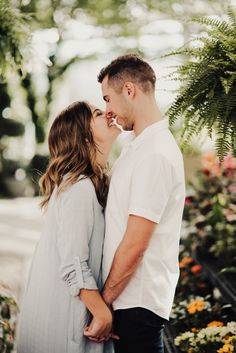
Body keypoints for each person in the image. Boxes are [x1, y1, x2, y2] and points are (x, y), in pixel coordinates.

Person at [85, 54, 186, 353]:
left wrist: (104, 304)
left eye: (108, 99)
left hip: (136, 302)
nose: (107, 111)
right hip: (126, 300)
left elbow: (135, 246)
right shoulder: (136, 147)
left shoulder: (155, 154)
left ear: (129, 90)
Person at [17, 101, 120, 353]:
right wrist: (103, 314)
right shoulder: (79, 188)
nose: (107, 113)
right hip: (66, 319)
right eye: (97, 113)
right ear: (84, 137)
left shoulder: (90, 184)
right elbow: (73, 264)